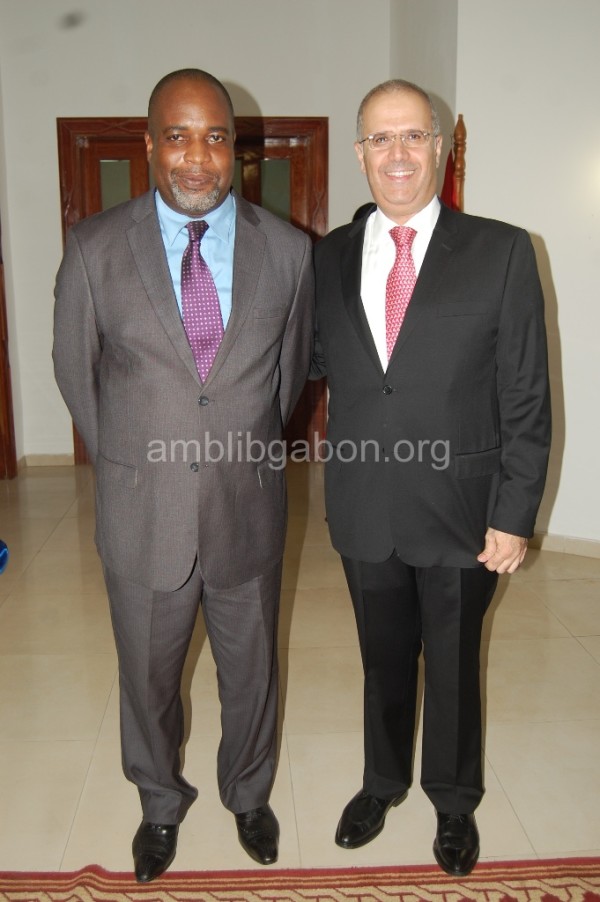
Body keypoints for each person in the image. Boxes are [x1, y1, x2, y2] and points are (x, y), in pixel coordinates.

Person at [53, 68, 314, 882]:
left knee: (252, 672)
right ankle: (160, 801)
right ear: (149, 144)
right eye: (178, 136)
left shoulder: (289, 252)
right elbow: (76, 374)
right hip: (143, 513)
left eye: (214, 138)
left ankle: (249, 794)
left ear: (235, 148)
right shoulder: (96, 248)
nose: (197, 158)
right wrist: (136, 464)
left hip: (247, 509)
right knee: (148, 678)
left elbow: (286, 380)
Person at [311, 79, 550, 876]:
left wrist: (514, 512)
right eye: (380, 138)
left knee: (451, 664)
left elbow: (525, 393)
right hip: (365, 505)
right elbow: (314, 362)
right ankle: (382, 783)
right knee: (382, 658)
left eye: (414, 135)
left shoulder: (501, 250)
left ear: (440, 148)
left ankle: (453, 800)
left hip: (462, 509)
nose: (398, 154)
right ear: (360, 154)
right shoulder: (330, 256)